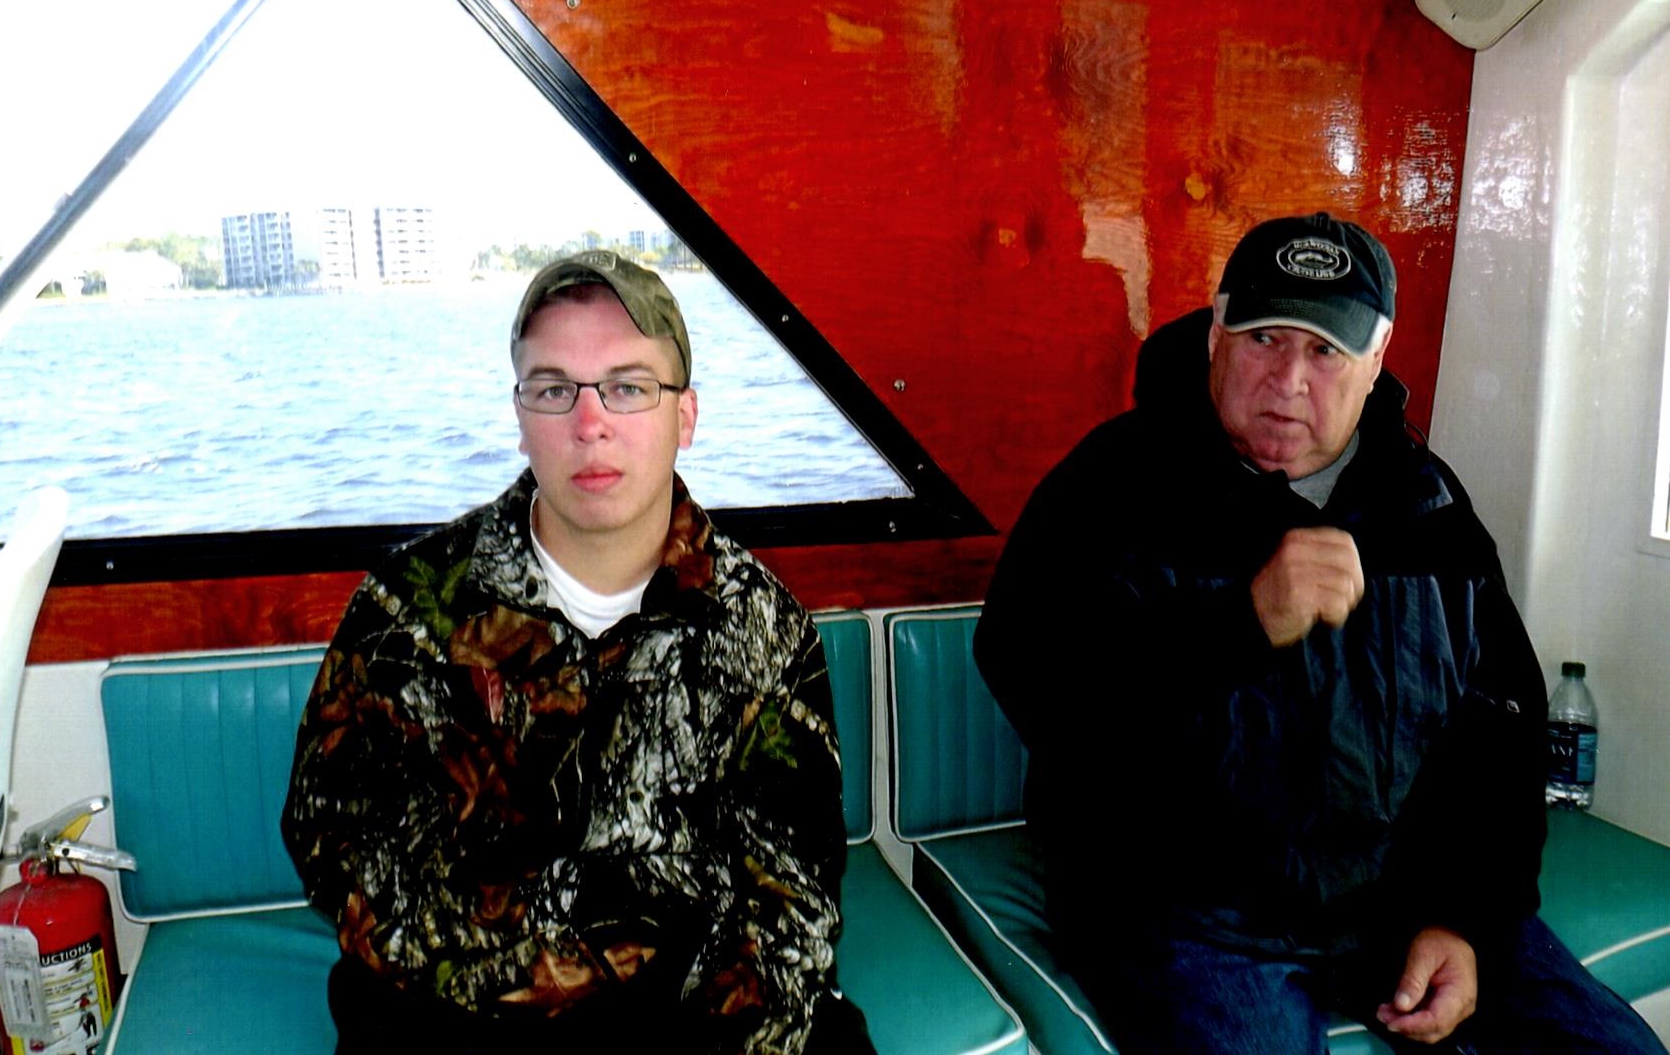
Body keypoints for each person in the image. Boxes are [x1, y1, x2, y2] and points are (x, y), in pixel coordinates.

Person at [974, 213, 1666, 1052]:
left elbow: (1497, 735)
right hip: (1187, 909)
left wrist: (1462, 917)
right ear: (1217, 335)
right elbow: (1039, 683)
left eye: (1326, 350)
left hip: (1400, 895)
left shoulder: (1429, 508)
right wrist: (1238, 626)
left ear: (1376, 362)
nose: (1288, 379)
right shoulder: (1112, 485)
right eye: (1264, 337)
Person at [282, 250, 870, 1053]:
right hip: (454, 1019)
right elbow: (333, 842)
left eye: (628, 387)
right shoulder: (409, 609)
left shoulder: (762, 626)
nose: (590, 424)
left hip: (689, 1028)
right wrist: (518, 972)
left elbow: (794, 895)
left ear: (685, 416)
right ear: (520, 414)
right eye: (555, 389)